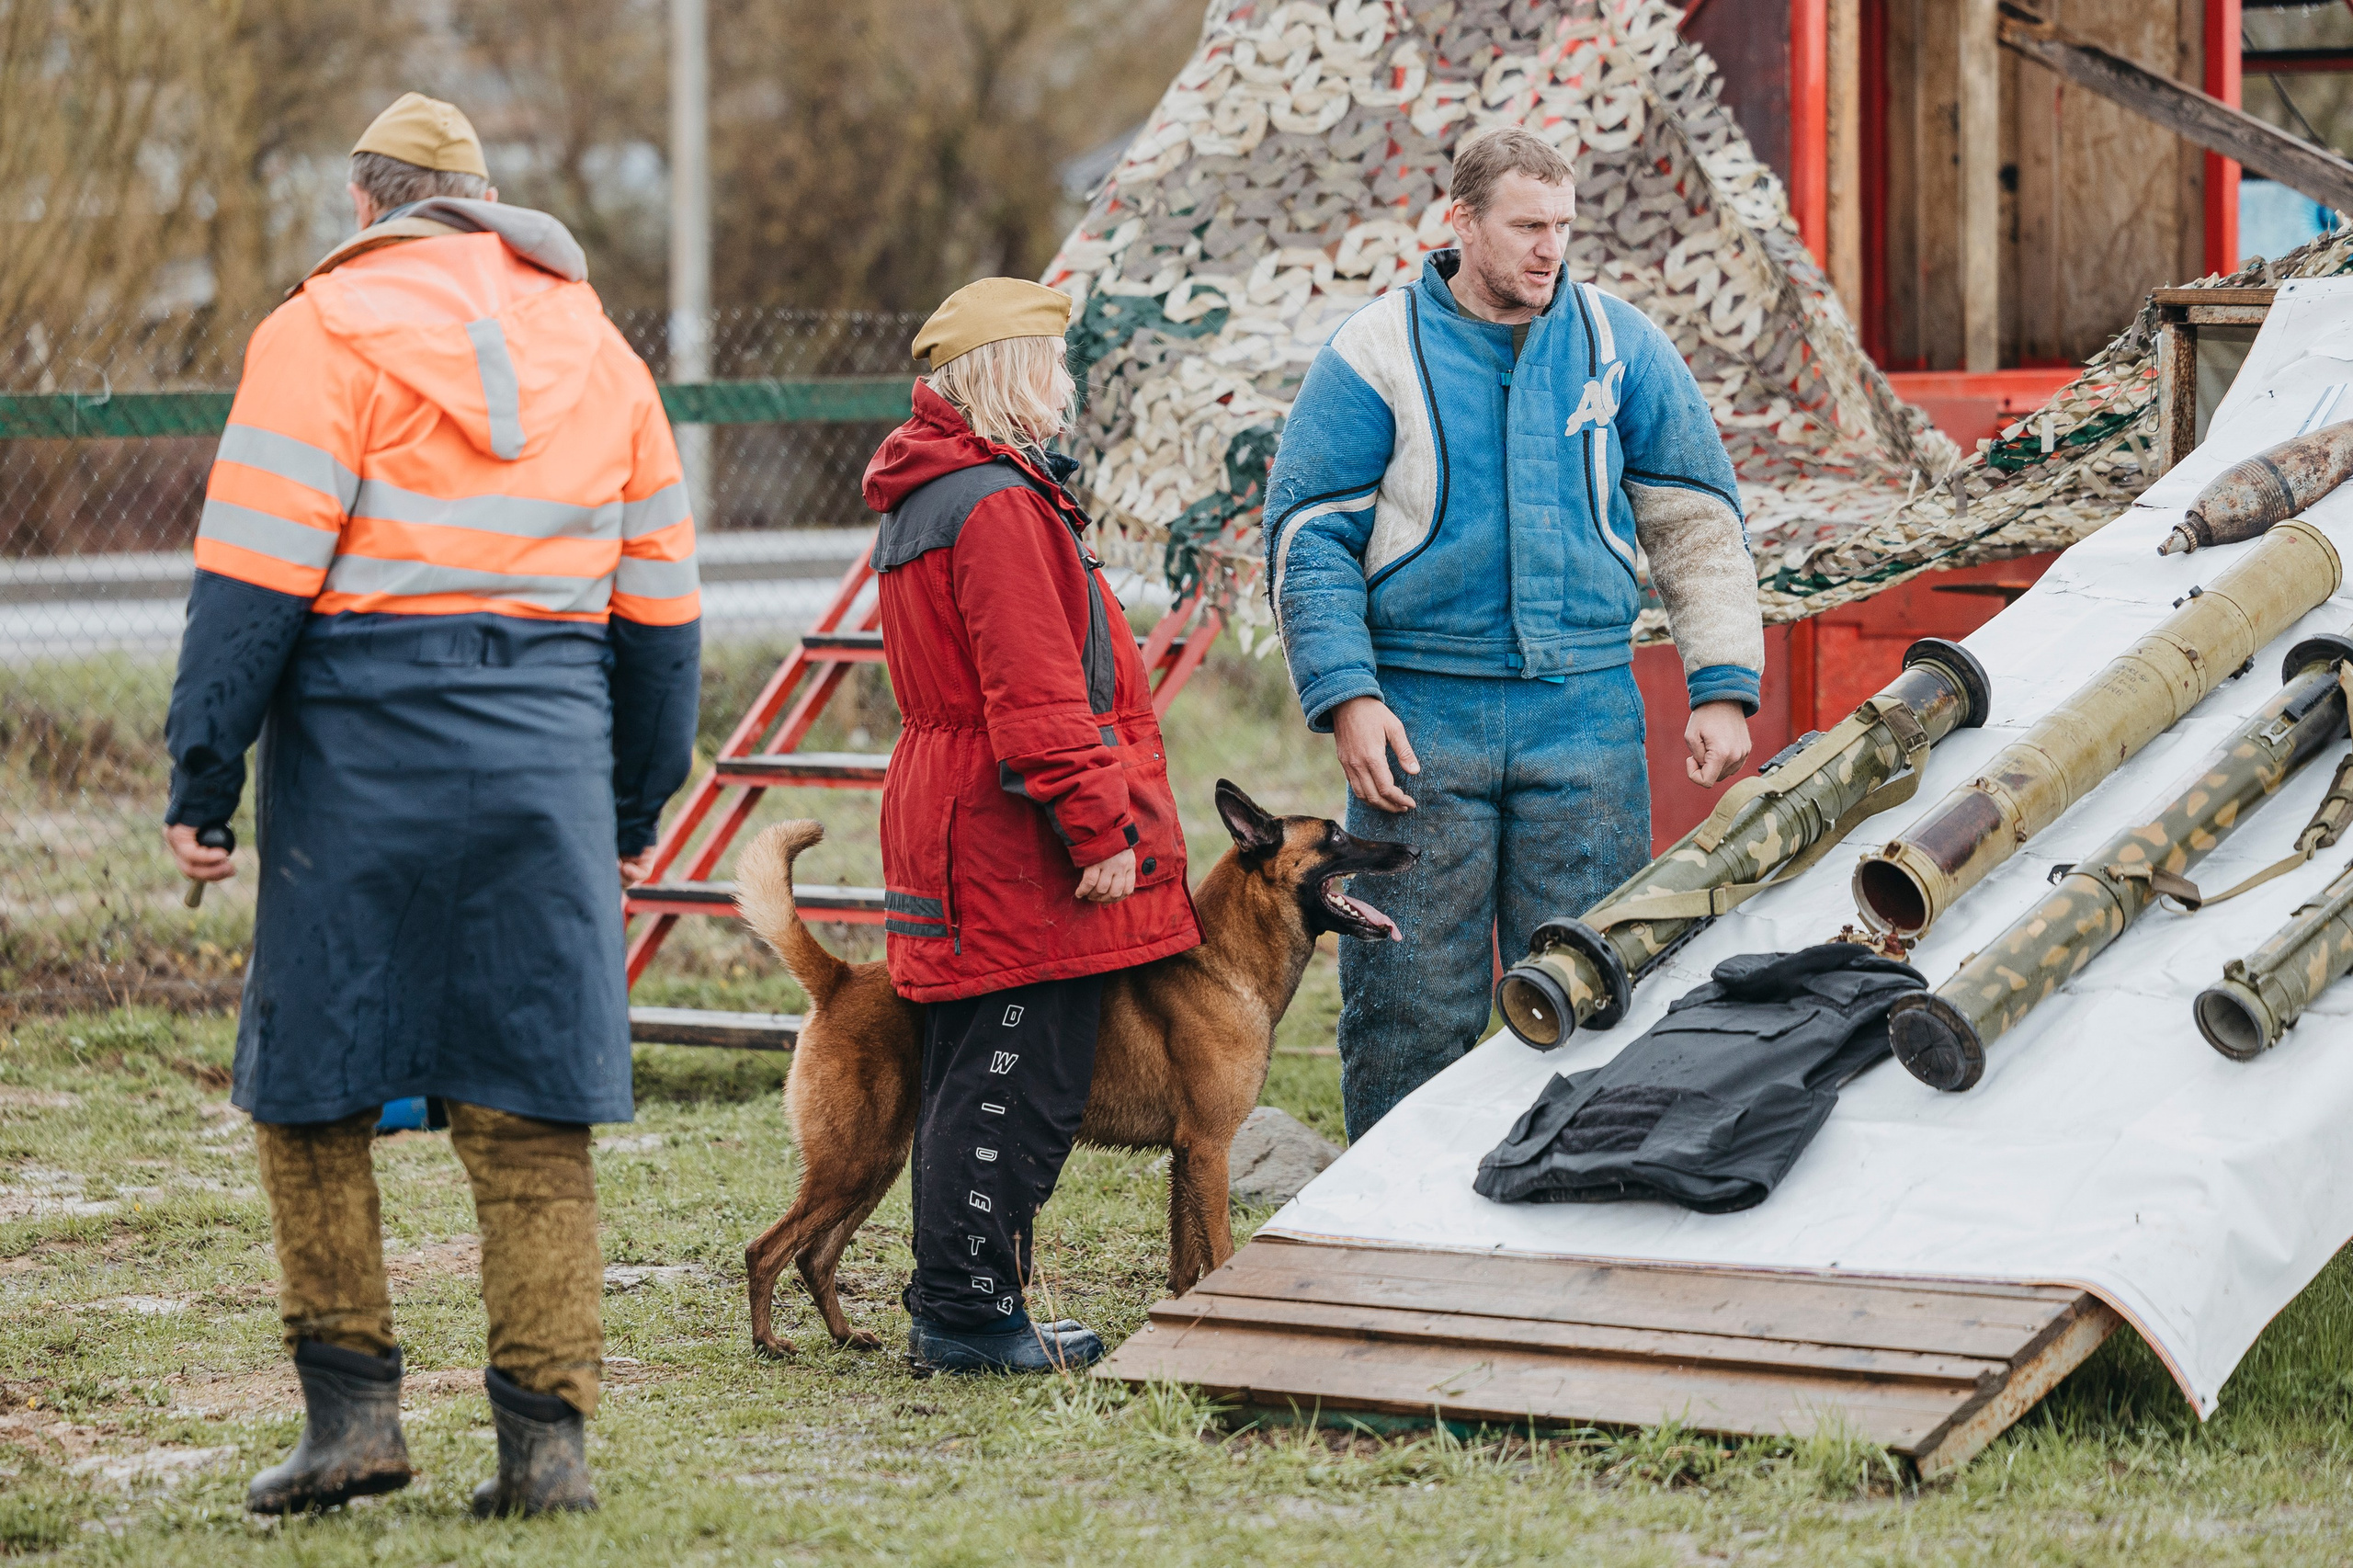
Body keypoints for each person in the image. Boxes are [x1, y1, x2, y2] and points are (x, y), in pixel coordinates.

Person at [162, 92, 700, 1517]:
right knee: (532, 1108)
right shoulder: (602, 349)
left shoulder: (317, 334)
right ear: (483, 204)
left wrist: (203, 778)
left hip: (360, 754)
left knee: (311, 1087)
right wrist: (634, 803)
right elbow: (661, 614)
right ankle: (548, 1448)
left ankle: (351, 1421)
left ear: (365, 204)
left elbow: (251, 583)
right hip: (546, 747)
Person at [1265, 126, 1763, 1140]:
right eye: (1527, 225)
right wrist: (1347, 697)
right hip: (1419, 717)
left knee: (1592, 979)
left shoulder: (1620, 342)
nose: (1550, 248)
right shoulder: (1374, 350)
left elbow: (1695, 518)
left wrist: (1720, 682)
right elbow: (1310, 536)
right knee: (1408, 999)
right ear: (1461, 222)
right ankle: (1400, 1230)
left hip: (1582, 714)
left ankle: (1559, 1205)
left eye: (1563, 226)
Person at [861, 278, 1201, 1373]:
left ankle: (963, 1294)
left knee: (976, 1067)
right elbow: (1039, 693)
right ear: (1010, 372)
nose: (1068, 384)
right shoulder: (997, 506)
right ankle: (965, 1313)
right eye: (1054, 364)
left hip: (960, 810)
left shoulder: (946, 491)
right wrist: (1100, 827)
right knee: (1020, 1076)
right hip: (1012, 836)